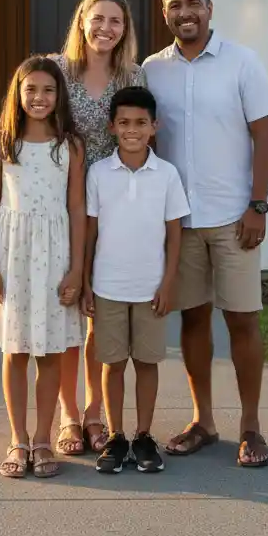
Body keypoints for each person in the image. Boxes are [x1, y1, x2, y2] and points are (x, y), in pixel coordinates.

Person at [0, 0, 144, 457]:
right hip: (52, 205)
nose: (105, 28)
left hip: (106, 202)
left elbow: (146, 128)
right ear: (82, 21)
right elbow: (15, 114)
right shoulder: (56, 70)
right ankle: (68, 417)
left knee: (95, 308)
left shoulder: (134, 75)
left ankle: (96, 414)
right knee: (64, 315)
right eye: (97, 18)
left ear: (125, 29)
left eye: (115, 21)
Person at [142, 0, 268, 468]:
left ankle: (251, 426)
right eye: (176, 5)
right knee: (194, 318)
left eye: (194, 3)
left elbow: (264, 138)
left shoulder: (244, 63)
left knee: (243, 319)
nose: (186, 12)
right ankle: (204, 420)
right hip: (180, 220)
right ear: (165, 14)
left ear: (210, 8)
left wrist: (258, 205)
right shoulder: (151, 71)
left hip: (234, 217)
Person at [0, 55, 86, 479]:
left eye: (48, 90)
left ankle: (44, 438)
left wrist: (77, 269)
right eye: (31, 90)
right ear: (17, 95)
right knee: (16, 350)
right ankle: (18, 438)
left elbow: (77, 209)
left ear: (59, 96)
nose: (39, 98)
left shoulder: (69, 145)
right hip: (13, 257)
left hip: (56, 256)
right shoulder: (3, 143)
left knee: (52, 350)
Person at [82, 86, 190, 474]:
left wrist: (169, 282)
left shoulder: (167, 175)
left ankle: (143, 436)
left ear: (154, 127)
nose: (132, 129)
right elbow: (90, 232)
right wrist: (85, 282)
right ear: (112, 126)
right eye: (124, 122)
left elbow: (175, 233)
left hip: (151, 289)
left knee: (146, 363)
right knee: (112, 364)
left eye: (141, 123)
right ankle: (116, 436)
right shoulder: (98, 173)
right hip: (108, 288)